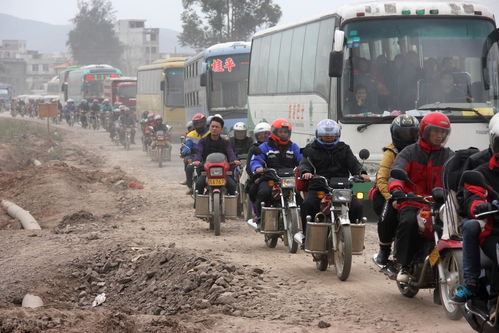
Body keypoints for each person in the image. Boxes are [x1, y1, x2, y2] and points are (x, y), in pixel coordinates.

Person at [389, 112, 454, 283]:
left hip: (440, 204)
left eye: (443, 132)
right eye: (436, 131)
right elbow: (397, 172)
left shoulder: (448, 155)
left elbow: (458, 175)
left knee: (453, 228)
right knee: (409, 222)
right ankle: (403, 264)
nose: (440, 136)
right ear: (425, 131)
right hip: (413, 201)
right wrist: (397, 189)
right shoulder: (409, 152)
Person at [450, 123, 499, 311]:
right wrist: (481, 205)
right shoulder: (481, 172)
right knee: (471, 226)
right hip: (493, 229)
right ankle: (486, 297)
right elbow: (472, 195)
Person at [297, 119, 370, 240]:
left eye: (332, 136)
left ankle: (354, 238)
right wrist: (306, 172)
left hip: (342, 187)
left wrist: (361, 173)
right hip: (319, 186)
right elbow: (304, 164)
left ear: (337, 135)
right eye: (326, 136)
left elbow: (354, 164)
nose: (329, 138)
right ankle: (307, 236)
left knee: (357, 206)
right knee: (308, 204)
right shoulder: (311, 149)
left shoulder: (344, 149)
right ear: (318, 135)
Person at [370, 114, 419, 265]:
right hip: (389, 193)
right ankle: (384, 251)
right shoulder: (391, 152)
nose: (407, 137)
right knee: (387, 218)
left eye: (411, 133)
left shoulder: (420, 150)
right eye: (403, 133)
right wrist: (391, 198)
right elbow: (382, 179)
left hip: (413, 193)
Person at [250, 118, 302, 225]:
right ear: (274, 132)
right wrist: (257, 167)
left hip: (289, 179)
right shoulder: (265, 146)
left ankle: (302, 220)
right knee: (264, 192)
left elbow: (301, 159)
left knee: (300, 196)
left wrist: (304, 167)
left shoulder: (293, 147)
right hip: (270, 178)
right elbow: (256, 159)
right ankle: (260, 218)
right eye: (281, 132)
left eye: (286, 132)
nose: (283, 134)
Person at [193, 116, 240, 195]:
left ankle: (233, 205)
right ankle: (198, 204)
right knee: (199, 184)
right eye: (212, 126)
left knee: (232, 185)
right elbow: (198, 152)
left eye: (217, 127)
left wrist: (234, 160)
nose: (214, 128)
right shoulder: (203, 141)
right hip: (206, 171)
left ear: (221, 129)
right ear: (209, 128)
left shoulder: (226, 142)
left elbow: (230, 152)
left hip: (223, 172)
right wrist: (196, 160)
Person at [245, 122, 272, 216]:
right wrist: (255, 176)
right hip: (259, 177)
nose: (264, 137)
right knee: (253, 190)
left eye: (267, 134)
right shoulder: (254, 148)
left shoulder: (274, 146)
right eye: (261, 135)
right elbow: (249, 166)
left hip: (276, 176)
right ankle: (257, 214)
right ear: (257, 136)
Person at [181, 113, 210, 194]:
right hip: (194, 156)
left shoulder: (210, 133)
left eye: (200, 123)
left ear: (204, 122)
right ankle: (190, 186)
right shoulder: (191, 134)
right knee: (189, 166)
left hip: (207, 157)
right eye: (197, 123)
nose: (199, 125)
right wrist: (184, 151)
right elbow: (187, 145)